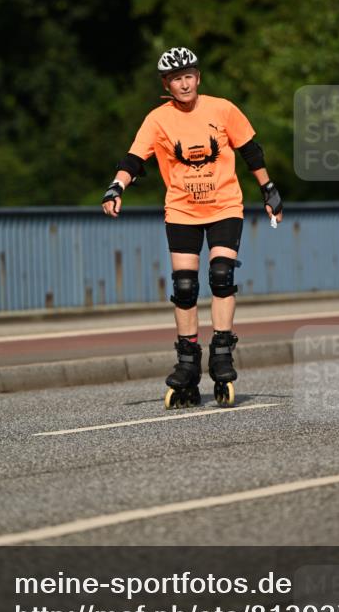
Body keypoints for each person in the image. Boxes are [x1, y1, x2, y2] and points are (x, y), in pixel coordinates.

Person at [101, 47, 283, 408]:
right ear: (166, 84)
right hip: (182, 210)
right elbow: (134, 159)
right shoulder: (157, 119)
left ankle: (222, 353)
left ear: (198, 77)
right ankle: (187, 363)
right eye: (175, 79)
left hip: (225, 206)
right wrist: (116, 186)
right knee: (185, 287)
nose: (183, 84)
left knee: (221, 275)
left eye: (189, 77)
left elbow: (251, 151)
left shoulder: (222, 109)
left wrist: (269, 189)